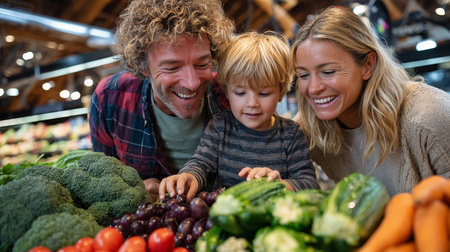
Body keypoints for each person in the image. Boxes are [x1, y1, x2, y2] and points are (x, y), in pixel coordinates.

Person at [292, 6, 450, 196]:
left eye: (328, 72)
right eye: (303, 75)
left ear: (368, 65)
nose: (313, 88)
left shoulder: (429, 116)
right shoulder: (307, 128)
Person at [88, 0, 235, 201]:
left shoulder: (233, 95)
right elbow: (102, 178)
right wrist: (133, 188)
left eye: (202, 64)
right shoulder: (111, 97)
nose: (192, 83)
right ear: (143, 66)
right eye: (172, 68)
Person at [159, 32, 319, 201]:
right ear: (227, 92)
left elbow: (309, 183)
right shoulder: (220, 127)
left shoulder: (290, 134)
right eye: (240, 92)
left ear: (281, 93)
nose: (252, 103)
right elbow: (201, 164)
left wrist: (278, 185)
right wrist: (189, 176)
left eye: (264, 93)